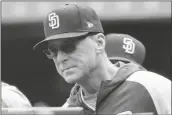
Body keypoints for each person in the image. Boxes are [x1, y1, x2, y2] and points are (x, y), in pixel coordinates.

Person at [33, 4, 171, 115]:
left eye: (68, 47)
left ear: (99, 43)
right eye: (53, 51)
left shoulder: (152, 87)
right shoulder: (67, 111)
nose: (61, 58)